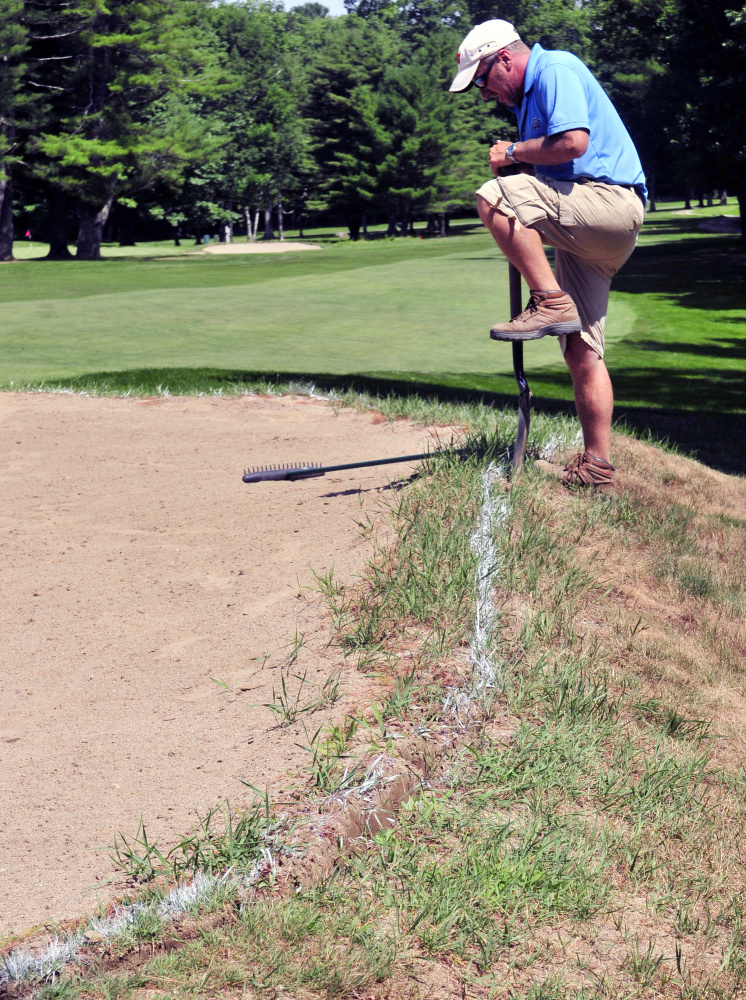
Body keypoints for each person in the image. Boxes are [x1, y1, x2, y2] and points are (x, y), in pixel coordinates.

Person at [450, 20, 646, 490]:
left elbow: (573, 144)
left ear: (504, 59)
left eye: (481, 80)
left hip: (609, 204)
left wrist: (513, 153)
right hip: (590, 225)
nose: (483, 93)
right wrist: (522, 160)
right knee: (581, 349)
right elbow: (552, 163)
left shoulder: (554, 67)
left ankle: (548, 300)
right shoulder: (529, 97)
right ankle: (598, 466)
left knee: (494, 196)